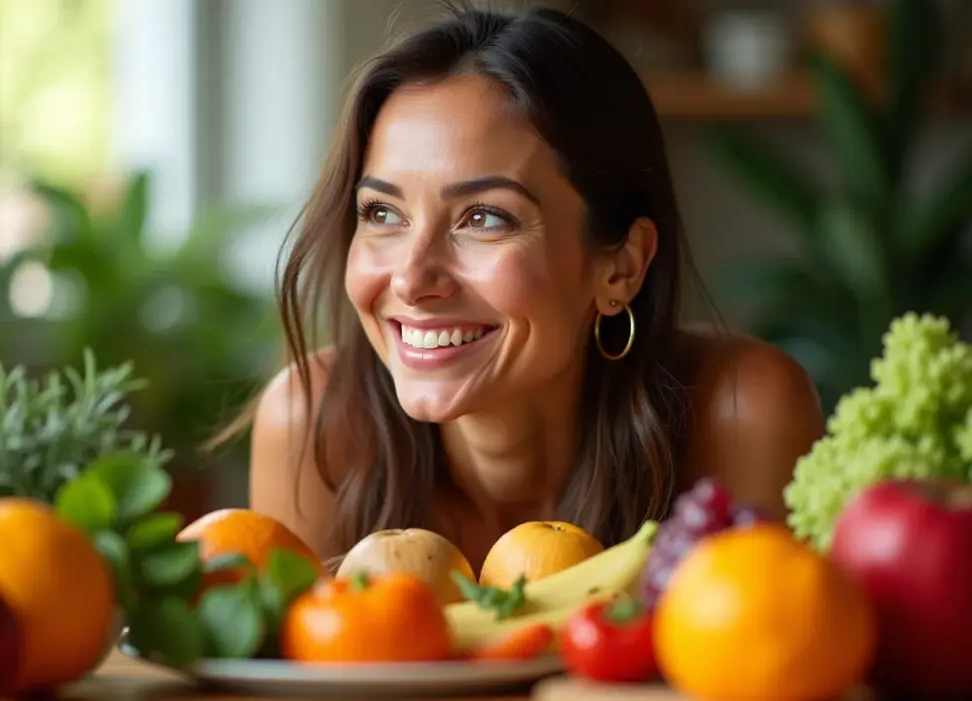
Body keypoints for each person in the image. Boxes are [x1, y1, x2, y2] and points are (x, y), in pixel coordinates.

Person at [244, 2, 824, 570]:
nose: (412, 279)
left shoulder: (742, 413)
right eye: (382, 214)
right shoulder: (314, 425)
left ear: (620, 267)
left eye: (484, 218)